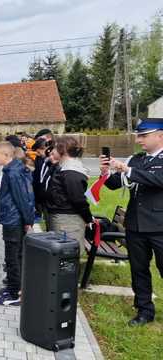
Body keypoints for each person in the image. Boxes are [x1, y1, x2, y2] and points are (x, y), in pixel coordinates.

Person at [101, 118, 163, 326]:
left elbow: (158, 180)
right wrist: (106, 171)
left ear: (160, 135)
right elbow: (114, 184)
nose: (139, 140)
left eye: (143, 136)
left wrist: (127, 170)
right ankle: (144, 311)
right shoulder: (136, 159)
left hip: (160, 226)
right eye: (138, 135)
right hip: (136, 225)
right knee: (139, 270)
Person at [0, 141, 35, 306]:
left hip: (14, 220)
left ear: (6, 155)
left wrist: (28, 221)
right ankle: (12, 286)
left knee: (13, 258)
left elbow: (23, 199)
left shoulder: (14, 173)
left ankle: (14, 293)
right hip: (11, 218)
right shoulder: (10, 169)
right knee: (13, 256)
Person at [44, 136, 92, 251]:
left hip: (67, 222)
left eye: (55, 148)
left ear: (63, 150)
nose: (52, 151)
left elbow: (77, 199)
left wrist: (88, 218)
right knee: (59, 256)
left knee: (67, 256)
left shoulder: (71, 171)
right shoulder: (64, 166)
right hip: (62, 218)